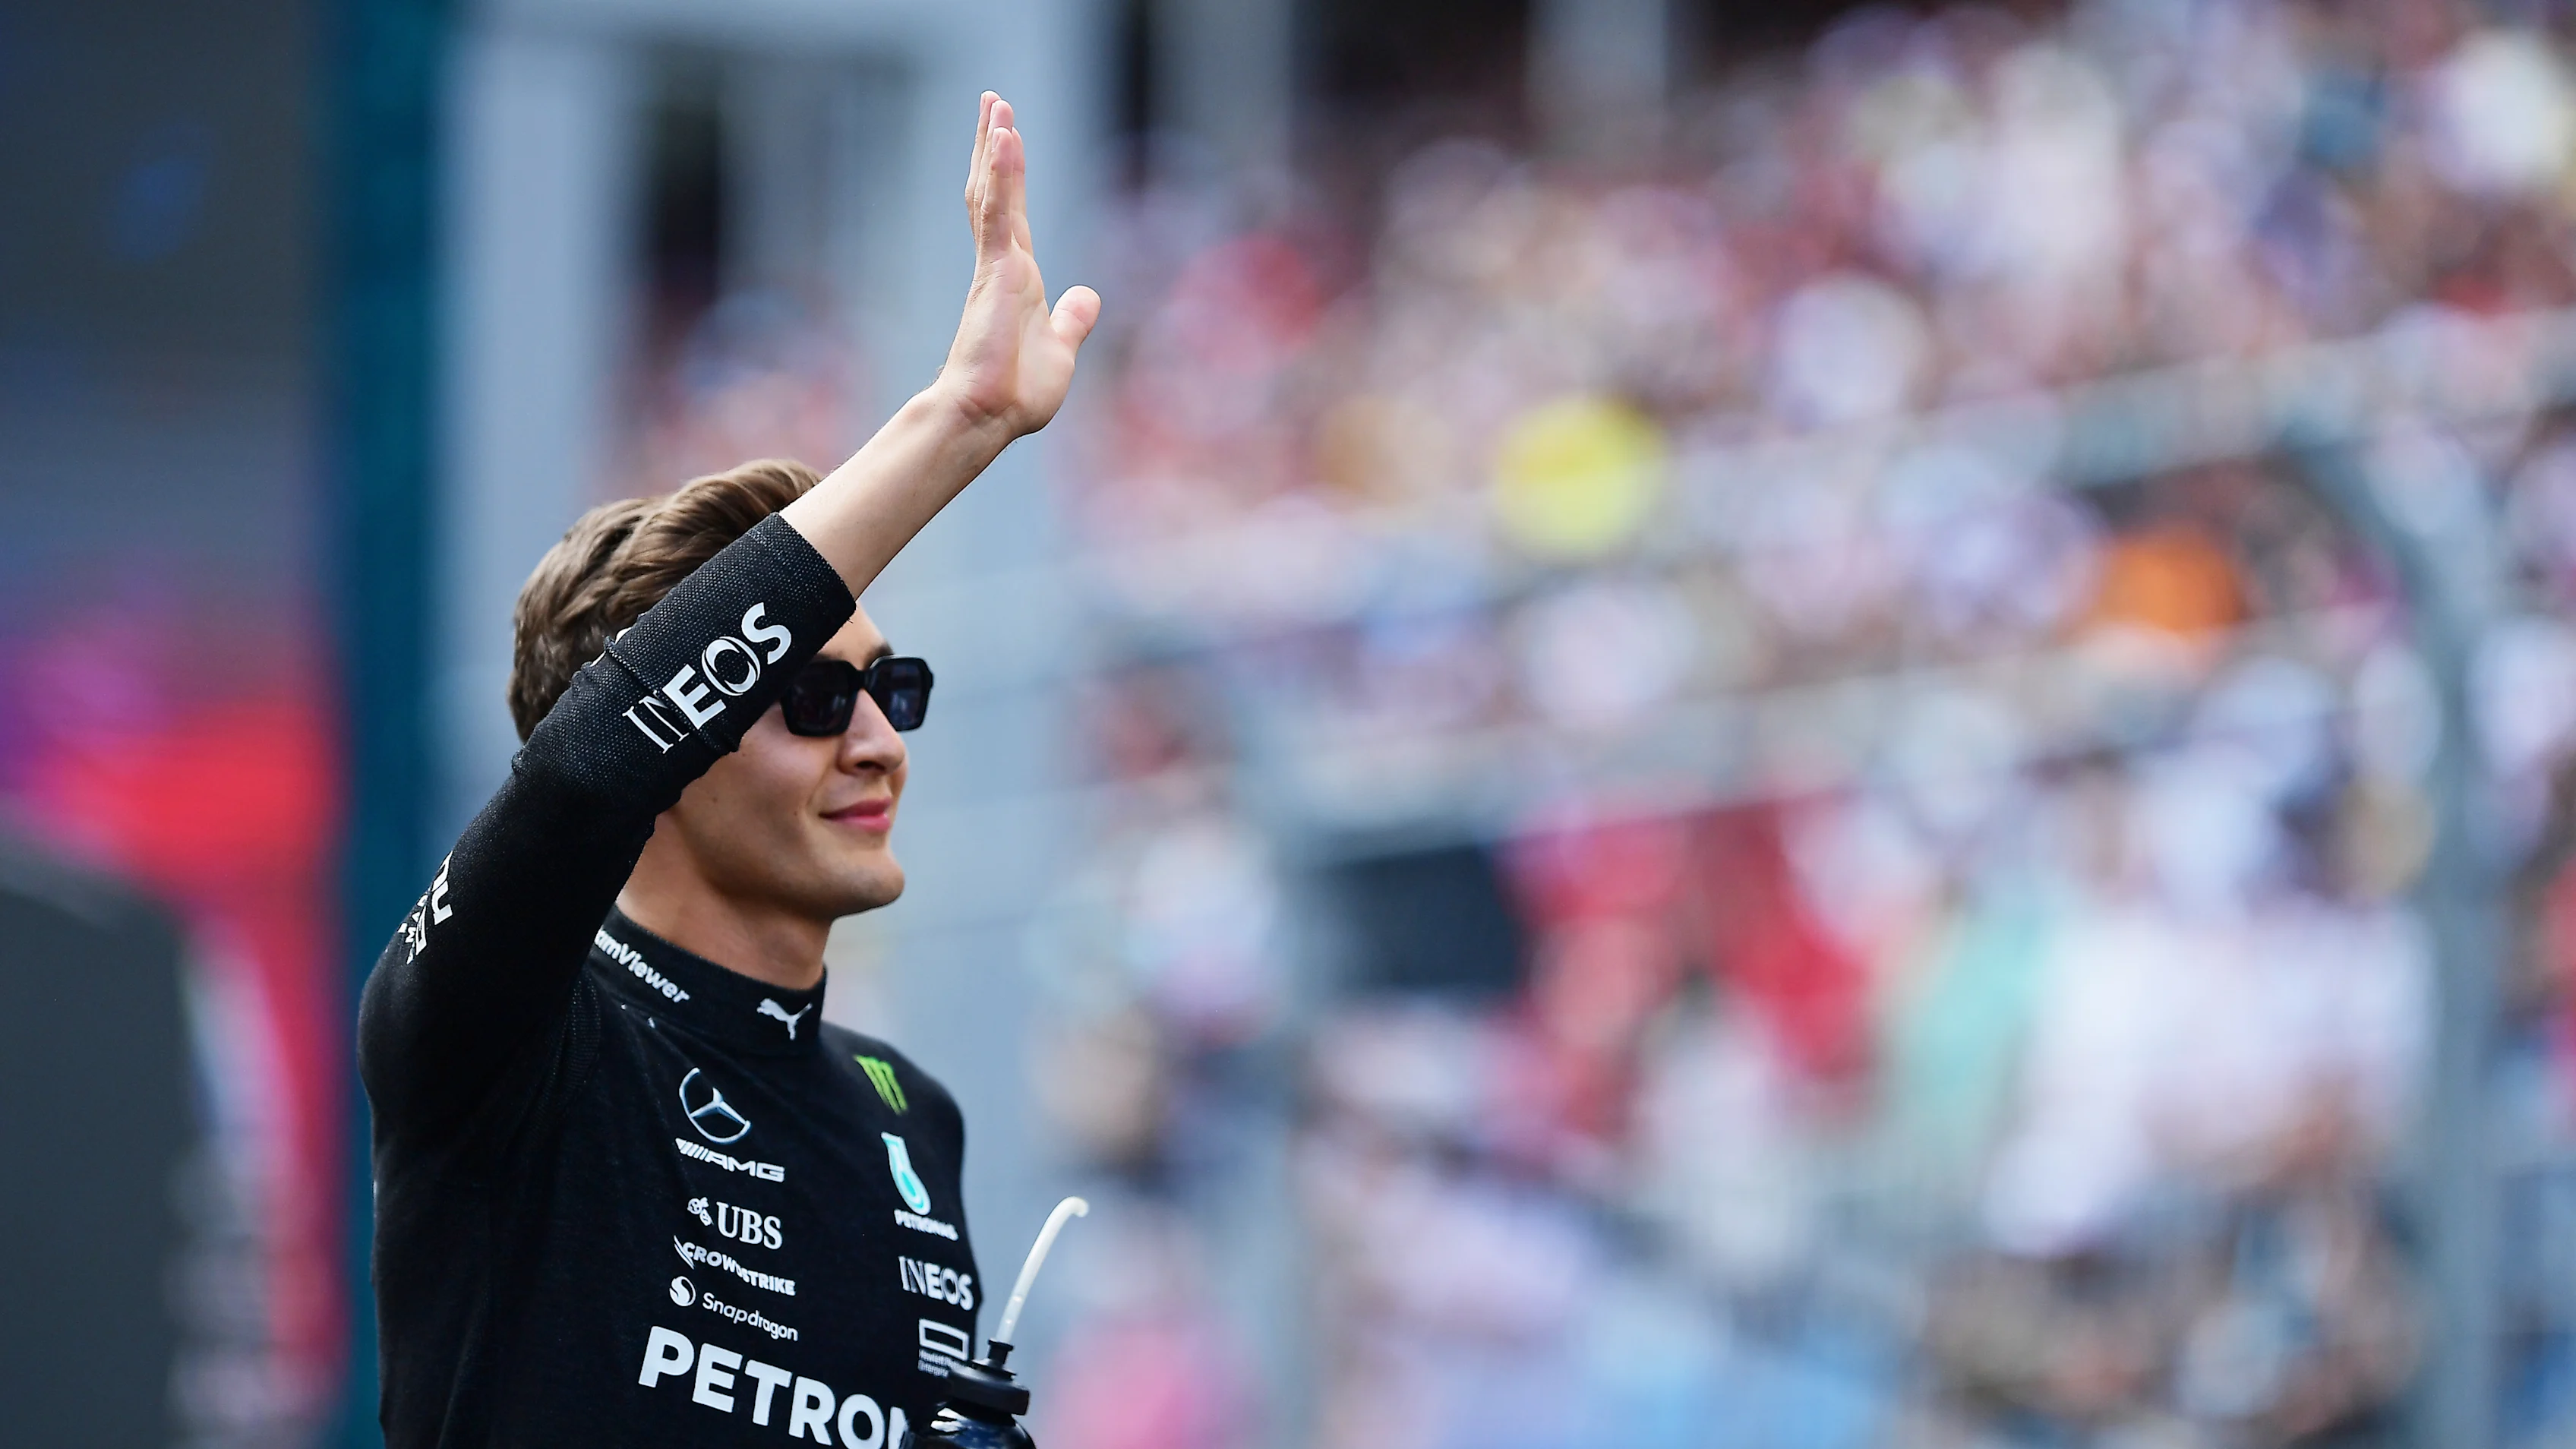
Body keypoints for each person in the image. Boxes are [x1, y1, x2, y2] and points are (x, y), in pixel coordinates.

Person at [358, 93, 1099, 1447]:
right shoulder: (503, 1030)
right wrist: (960, 422)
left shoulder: (910, 1119)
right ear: (678, 744)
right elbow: (587, 769)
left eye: (892, 690)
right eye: (813, 698)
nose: (878, 740)